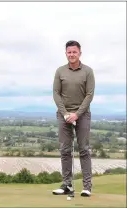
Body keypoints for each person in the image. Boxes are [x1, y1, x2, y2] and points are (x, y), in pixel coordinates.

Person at [52, 40, 95, 197]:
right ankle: (67, 185)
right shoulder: (60, 71)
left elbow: (89, 95)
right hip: (63, 115)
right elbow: (56, 93)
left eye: (74, 52)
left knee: (83, 149)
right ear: (66, 53)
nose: (71, 55)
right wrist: (65, 114)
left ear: (80, 53)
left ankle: (87, 187)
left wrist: (77, 114)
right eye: (69, 52)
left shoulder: (88, 71)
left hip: (82, 115)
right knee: (65, 150)